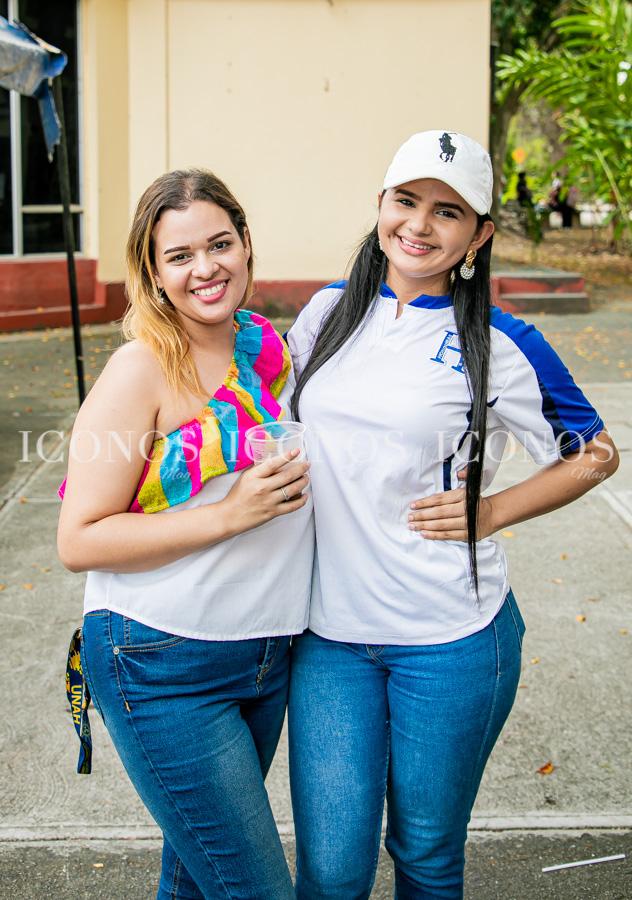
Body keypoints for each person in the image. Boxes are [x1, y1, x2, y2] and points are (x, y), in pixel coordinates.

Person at [285, 130, 618, 900]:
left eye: (448, 211)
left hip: (451, 638)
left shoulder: (504, 342)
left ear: (480, 235)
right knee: (331, 872)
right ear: (380, 207)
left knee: (426, 856)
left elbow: (595, 452)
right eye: (406, 202)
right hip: (328, 637)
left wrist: (492, 509)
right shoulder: (325, 314)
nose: (420, 225)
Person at [57, 168, 314, 900]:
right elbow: (78, 540)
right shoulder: (139, 369)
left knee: (198, 880)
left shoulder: (271, 352)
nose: (206, 268)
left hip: (266, 655)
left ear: (245, 246)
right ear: (154, 272)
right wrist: (228, 515)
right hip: (160, 661)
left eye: (220, 244)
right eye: (180, 255)